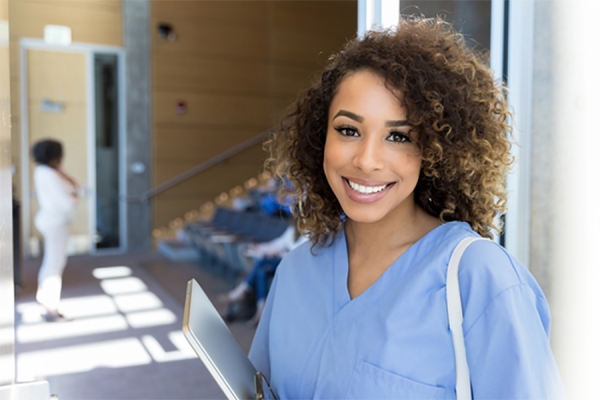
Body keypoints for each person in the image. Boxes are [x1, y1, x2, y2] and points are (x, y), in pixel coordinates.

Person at [248, 18, 565, 399]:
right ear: (321, 137)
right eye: (348, 130)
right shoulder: (296, 271)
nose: (367, 161)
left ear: (433, 152)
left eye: (399, 136)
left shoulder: (479, 280)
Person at [220, 221, 307, 325]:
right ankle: (260, 311)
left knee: (263, 260)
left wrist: (279, 253)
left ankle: (243, 290)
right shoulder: (293, 229)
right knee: (261, 272)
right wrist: (260, 247)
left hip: (292, 264)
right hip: (282, 261)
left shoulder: (309, 231)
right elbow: (279, 243)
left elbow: (300, 254)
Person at [32, 139, 78, 322]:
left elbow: (74, 186)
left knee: (52, 263)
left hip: (52, 221)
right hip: (56, 223)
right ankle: (50, 308)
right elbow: (68, 202)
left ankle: (46, 302)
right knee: (54, 265)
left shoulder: (46, 171)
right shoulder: (49, 174)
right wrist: (74, 197)